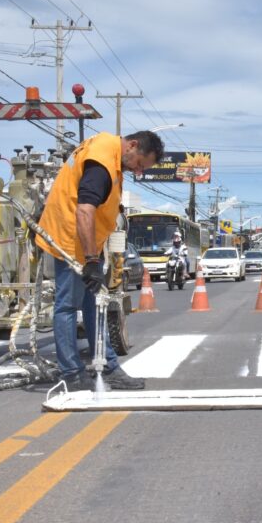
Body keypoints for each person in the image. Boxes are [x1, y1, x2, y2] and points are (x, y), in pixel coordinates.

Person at [36, 130, 164, 391]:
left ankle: (108, 367)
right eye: (140, 164)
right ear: (133, 145)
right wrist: (92, 261)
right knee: (68, 306)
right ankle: (71, 374)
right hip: (72, 240)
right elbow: (84, 209)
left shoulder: (108, 151)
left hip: (84, 241)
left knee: (96, 304)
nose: (138, 171)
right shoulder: (103, 162)